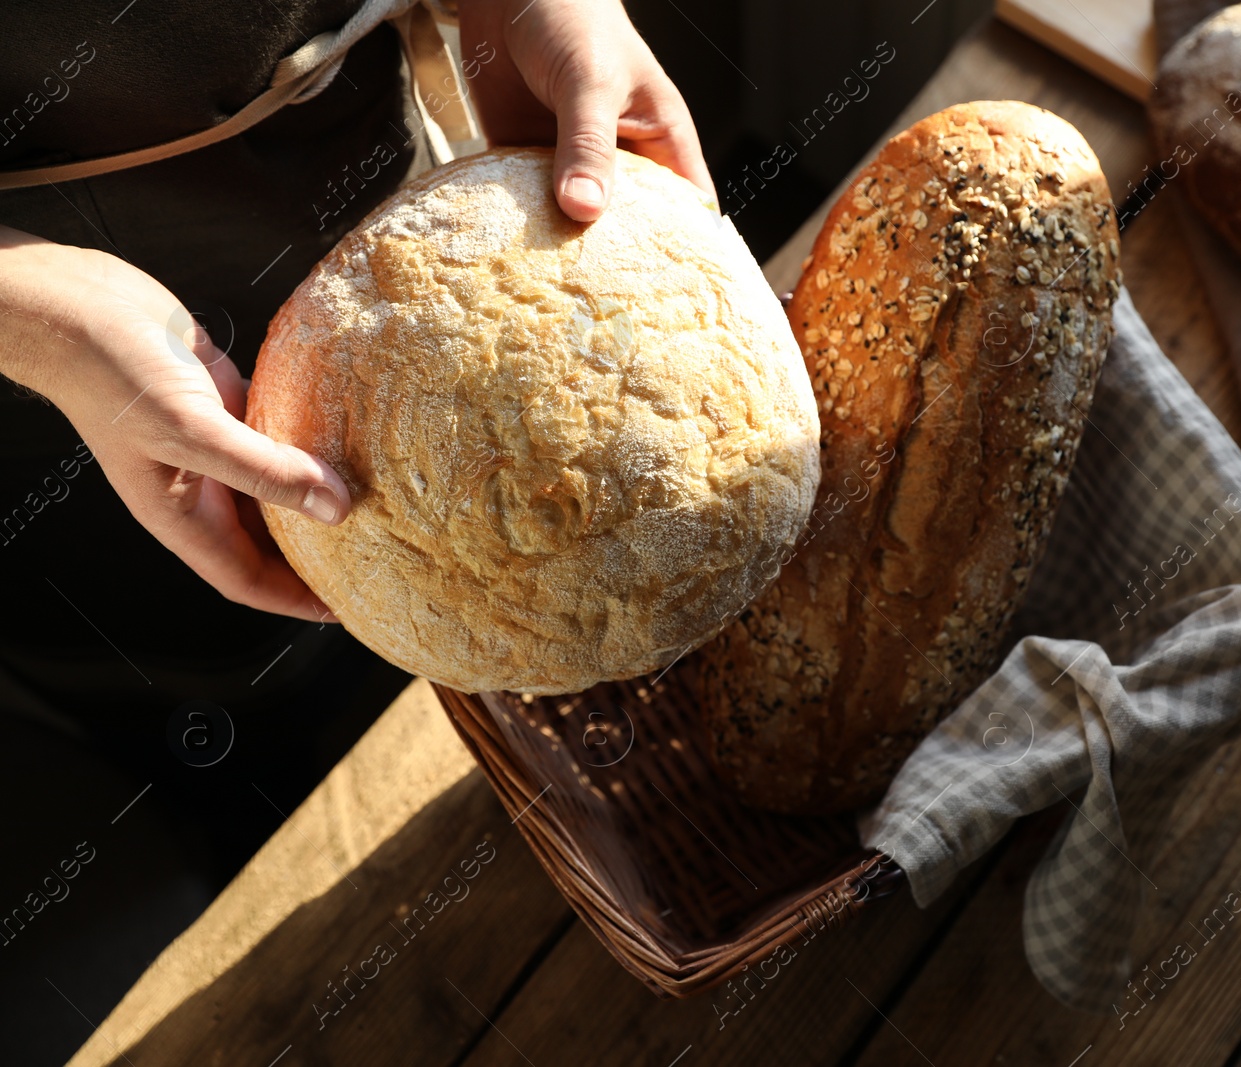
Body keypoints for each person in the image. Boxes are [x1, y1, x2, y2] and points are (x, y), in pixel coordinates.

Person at [0, 5, 712, 1048]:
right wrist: (36, 314)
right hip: (60, 393)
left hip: (387, 228)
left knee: (416, 666)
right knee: (204, 702)